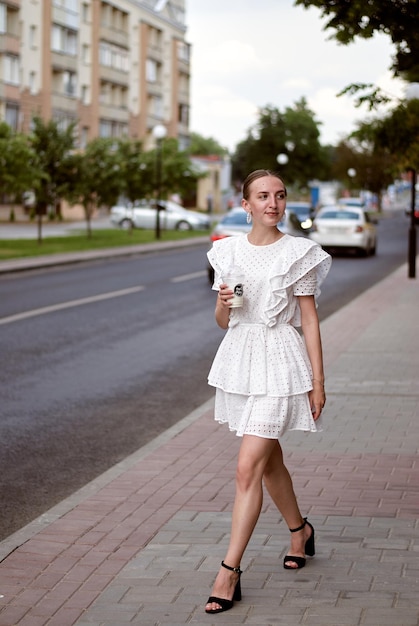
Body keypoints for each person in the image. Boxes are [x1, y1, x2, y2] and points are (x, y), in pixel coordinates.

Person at [205, 169, 331, 615]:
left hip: (280, 363)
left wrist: (318, 381)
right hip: (241, 362)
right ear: (247, 205)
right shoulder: (228, 253)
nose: (272, 203)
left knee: (246, 468)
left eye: (279, 195)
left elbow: (310, 320)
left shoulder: (298, 253)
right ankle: (300, 530)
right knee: (268, 459)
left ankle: (229, 571)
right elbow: (227, 321)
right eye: (263, 196)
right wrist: (222, 306)